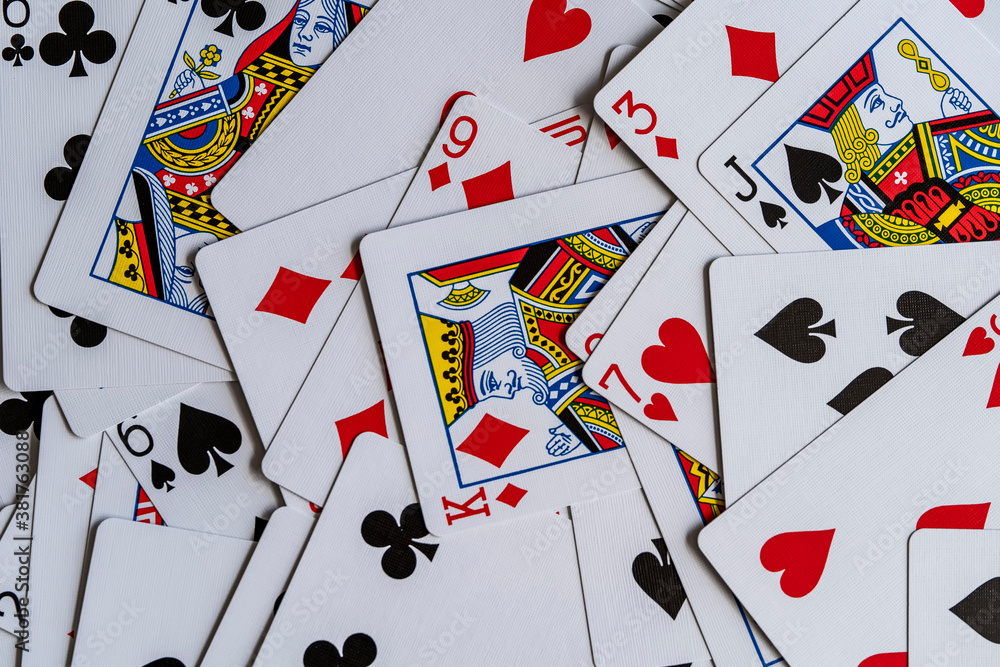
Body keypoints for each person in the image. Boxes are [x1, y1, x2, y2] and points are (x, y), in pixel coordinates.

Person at [799, 47, 1000, 248]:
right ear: (854, 130)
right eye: (877, 103)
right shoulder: (858, 206)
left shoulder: (946, 139)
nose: (896, 103)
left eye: (886, 95)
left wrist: (957, 120)